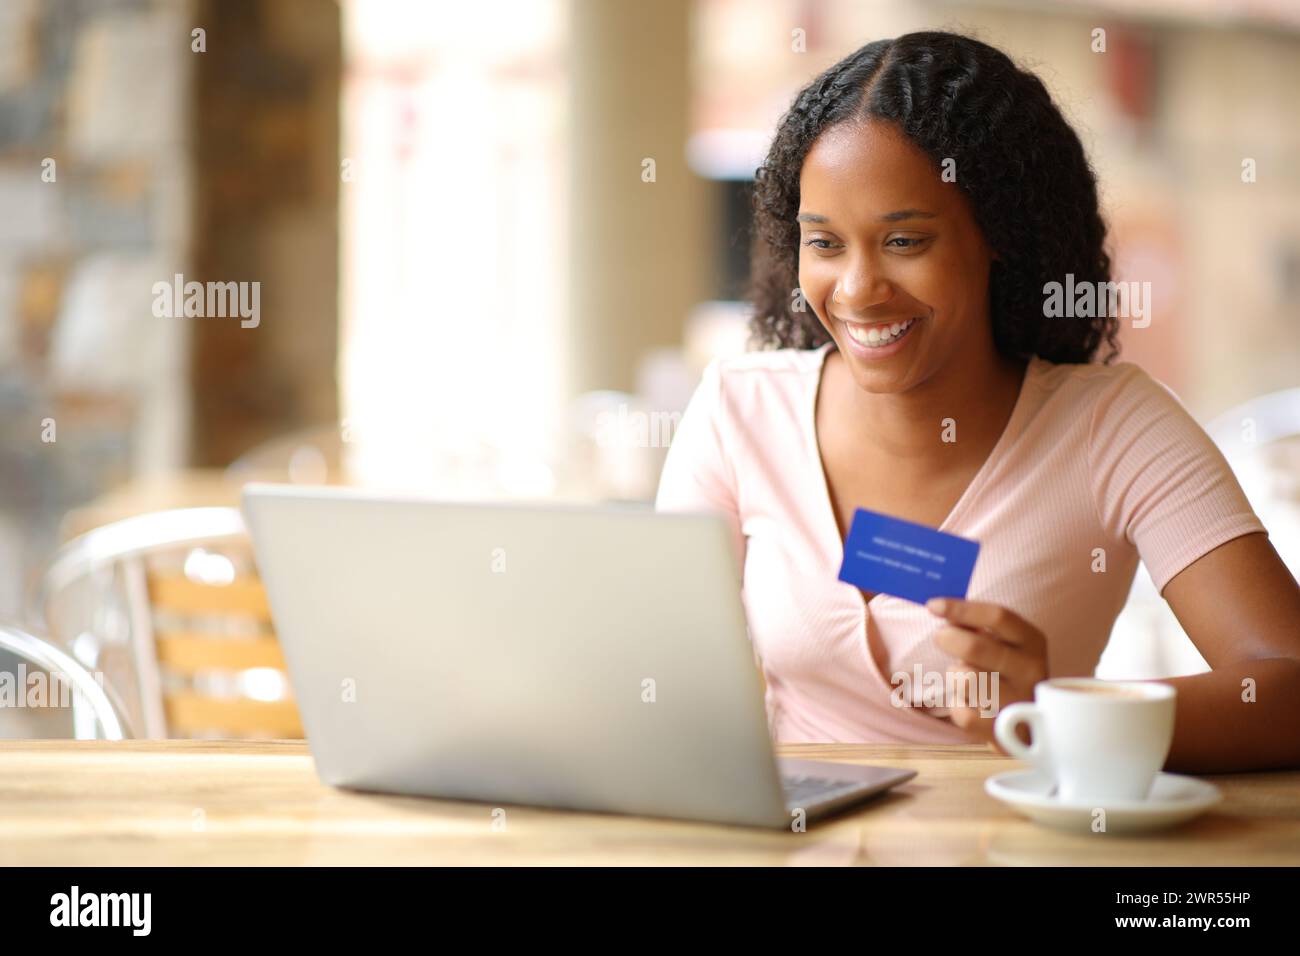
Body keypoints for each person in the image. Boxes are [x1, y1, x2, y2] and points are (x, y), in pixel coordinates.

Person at [655, 31, 1300, 772]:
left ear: (1000, 235)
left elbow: (1286, 681)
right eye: (825, 244)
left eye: (905, 241)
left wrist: (1058, 716)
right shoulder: (740, 413)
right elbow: (666, 671)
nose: (859, 289)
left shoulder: (1113, 427)